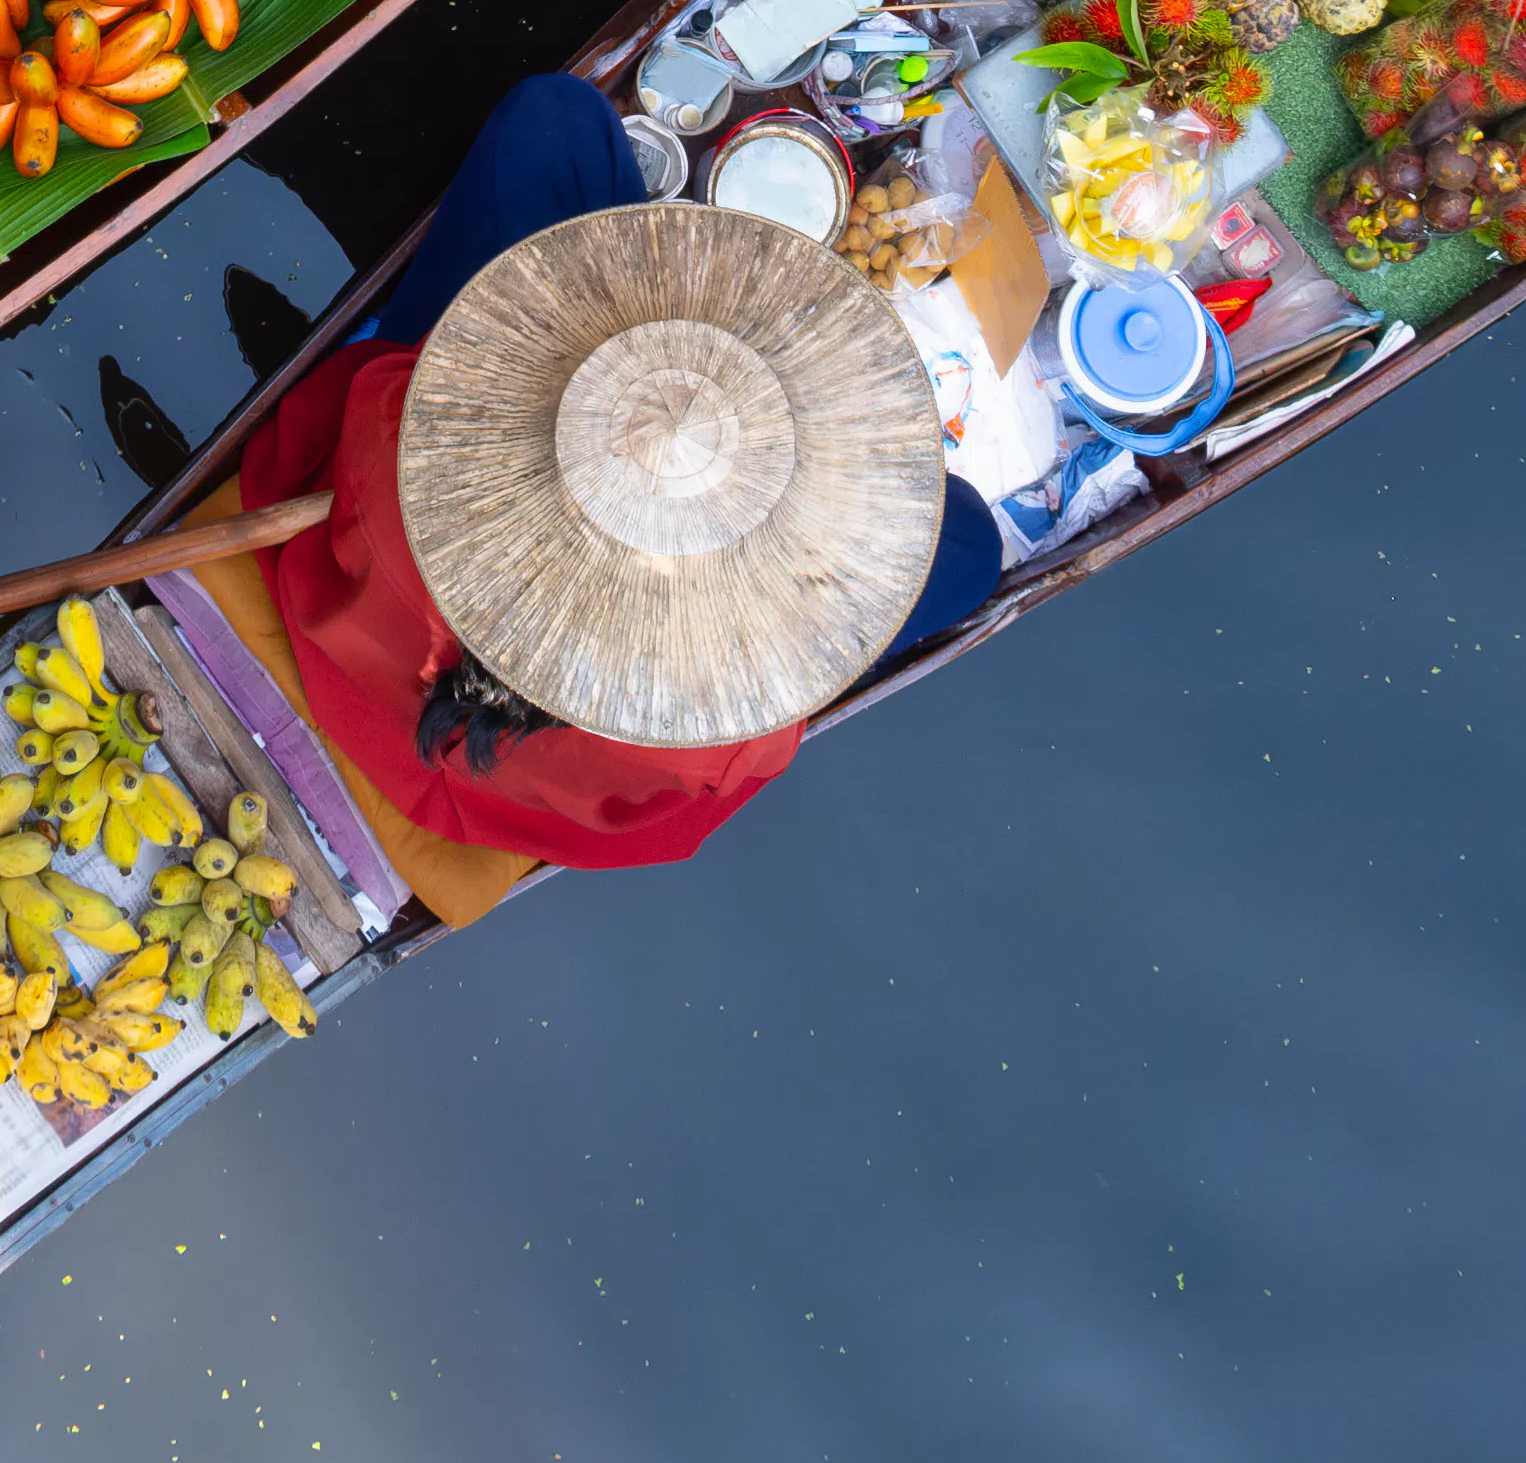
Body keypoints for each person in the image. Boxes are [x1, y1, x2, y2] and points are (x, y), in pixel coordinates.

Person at [212, 73, 1004, 896]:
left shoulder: (406, 449)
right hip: (511, 774)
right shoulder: (724, 721)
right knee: (969, 551)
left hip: (368, 641)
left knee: (556, 119)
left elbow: (379, 383)